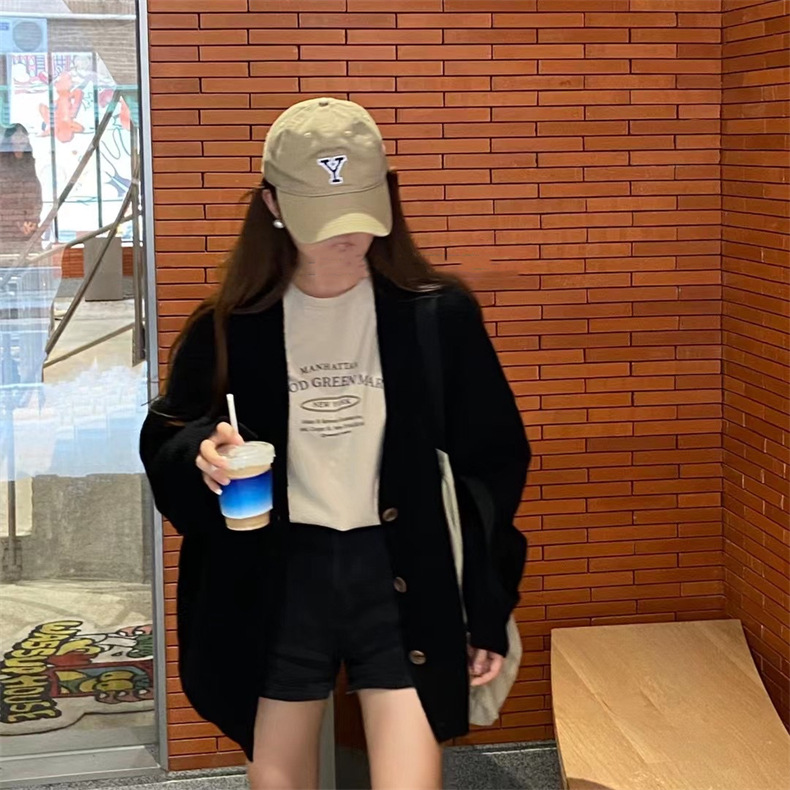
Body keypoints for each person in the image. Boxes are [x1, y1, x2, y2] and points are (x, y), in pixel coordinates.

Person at [140, 98, 530, 790]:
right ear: (272, 204)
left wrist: (487, 605)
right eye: (323, 216)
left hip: (403, 566)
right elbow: (169, 435)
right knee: (278, 773)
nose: (348, 236)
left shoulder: (437, 316)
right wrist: (201, 454)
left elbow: (490, 471)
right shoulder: (229, 326)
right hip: (278, 573)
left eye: (361, 209)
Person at [0, 124, 43, 254]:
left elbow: (36, 195)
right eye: (17, 135)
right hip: (6, 231)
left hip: (29, 230)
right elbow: (4, 199)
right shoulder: (2, 165)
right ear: (9, 140)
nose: (21, 139)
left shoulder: (29, 162)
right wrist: (18, 222)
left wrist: (32, 220)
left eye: (24, 135)